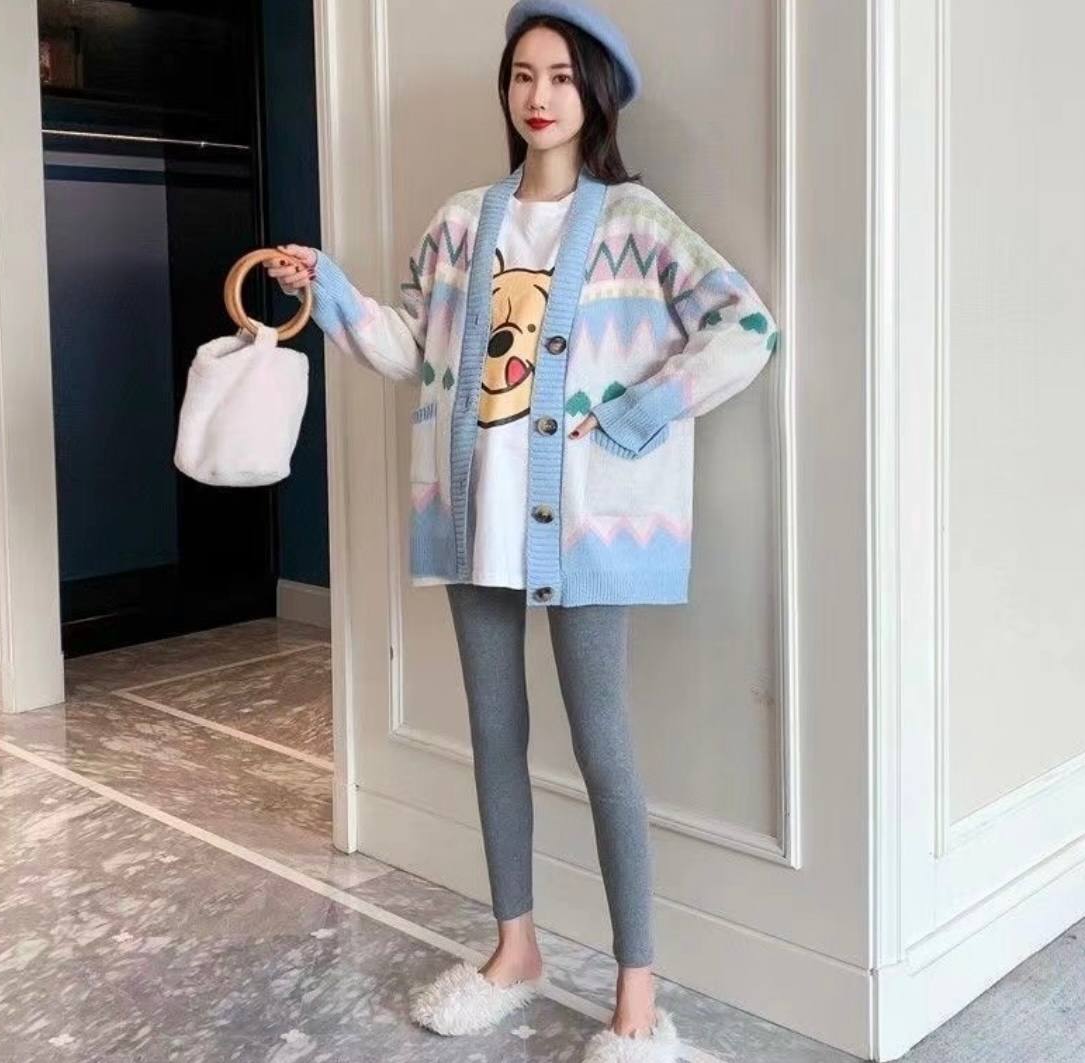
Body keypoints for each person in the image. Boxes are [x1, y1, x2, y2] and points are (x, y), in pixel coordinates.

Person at [266, 2, 777, 1059]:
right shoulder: (463, 222)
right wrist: (330, 289)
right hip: (475, 520)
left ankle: (638, 992)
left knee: (603, 745)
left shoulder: (635, 221)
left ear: (595, 93)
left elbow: (748, 326)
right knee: (493, 733)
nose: (538, 96)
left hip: (587, 528)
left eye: (560, 76)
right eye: (522, 76)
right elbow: (411, 348)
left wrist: (638, 415)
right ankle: (515, 949)